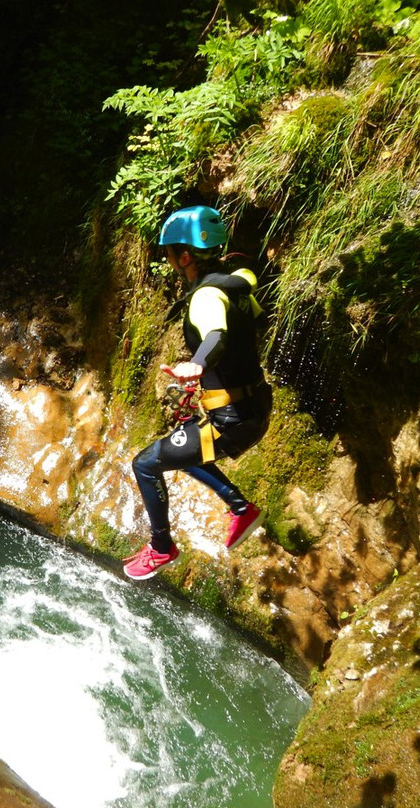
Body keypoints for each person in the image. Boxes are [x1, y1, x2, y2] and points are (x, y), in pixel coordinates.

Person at [123, 205, 273, 580]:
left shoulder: (206, 297)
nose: (168, 259)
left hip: (233, 419)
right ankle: (240, 508)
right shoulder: (233, 286)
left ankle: (161, 548)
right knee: (182, 452)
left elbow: (217, 337)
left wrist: (199, 364)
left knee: (145, 463)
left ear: (184, 256)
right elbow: (248, 328)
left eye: (169, 252)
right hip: (252, 407)